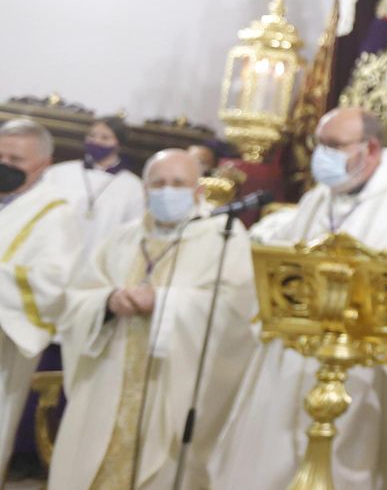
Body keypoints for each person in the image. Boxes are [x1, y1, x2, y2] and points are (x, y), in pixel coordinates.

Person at [209, 107, 387, 490]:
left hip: (362, 367)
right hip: (297, 352)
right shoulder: (319, 198)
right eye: (319, 144)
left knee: (347, 461)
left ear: (370, 148)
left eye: (333, 145)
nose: (321, 155)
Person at [51, 149, 255, 490]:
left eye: (178, 183)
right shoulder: (123, 236)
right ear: (144, 190)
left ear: (198, 190)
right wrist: (107, 301)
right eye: (158, 184)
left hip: (173, 381)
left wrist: (163, 302)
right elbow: (77, 298)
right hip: (110, 378)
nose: (166, 191)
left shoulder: (224, 236)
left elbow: (237, 309)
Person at [0, 119, 82, 475]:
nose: (4, 165)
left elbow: (54, 284)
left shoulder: (56, 213)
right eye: (0, 156)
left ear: (43, 164)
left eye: (15, 160)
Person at [45, 116, 145, 267]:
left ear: (119, 143)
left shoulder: (133, 186)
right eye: (92, 136)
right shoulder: (59, 172)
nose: (96, 141)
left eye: (105, 138)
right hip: (57, 258)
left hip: (102, 264)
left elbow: (131, 232)